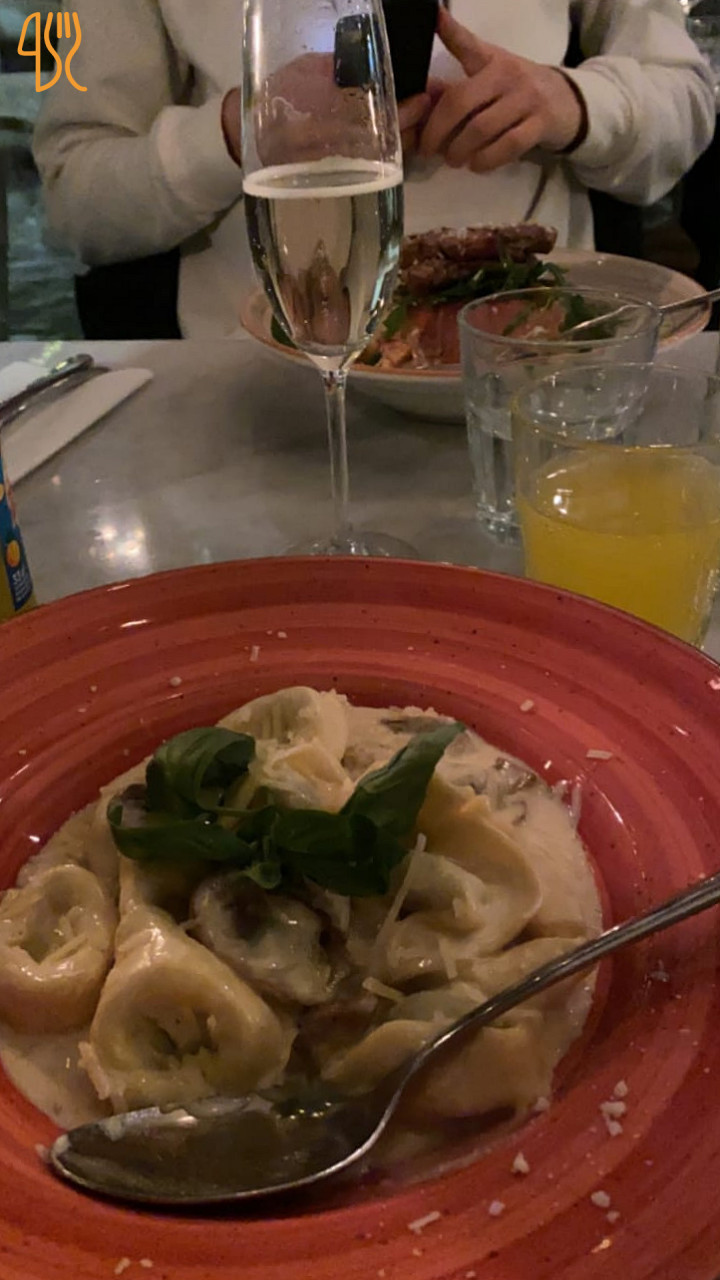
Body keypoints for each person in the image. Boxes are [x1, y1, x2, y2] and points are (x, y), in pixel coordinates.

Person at [33, 0, 716, 339]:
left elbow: (687, 98)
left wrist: (575, 104)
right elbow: (71, 199)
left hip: (539, 375)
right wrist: (239, 135)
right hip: (258, 393)